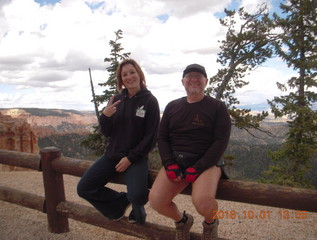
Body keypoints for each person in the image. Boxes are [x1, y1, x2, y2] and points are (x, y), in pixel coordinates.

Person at [149, 63, 231, 239]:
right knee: (156, 201)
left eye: (198, 76)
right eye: (189, 76)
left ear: (206, 81)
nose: (194, 79)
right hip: (177, 161)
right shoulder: (172, 106)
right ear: (183, 82)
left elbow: (220, 141)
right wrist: (169, 164)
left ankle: (211, 223)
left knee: (203, 202)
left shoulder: (218, 107)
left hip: (207, 162)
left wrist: (199, 167)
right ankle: (183, 221)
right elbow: (162, 138)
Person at [77, 59, 160, 224]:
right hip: (112, 154)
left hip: (136, 157)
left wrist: (130, 158)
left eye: (132, 72)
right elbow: (107, 132)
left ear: (139, 74)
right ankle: (121, 202)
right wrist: (105, 117)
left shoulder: (150, 101)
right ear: (121, 80)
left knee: (137, 195)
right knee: (84, 188)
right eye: (124, 74)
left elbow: (151, 136)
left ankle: (137, 208)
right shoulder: (117, 99)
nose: (129, 77)